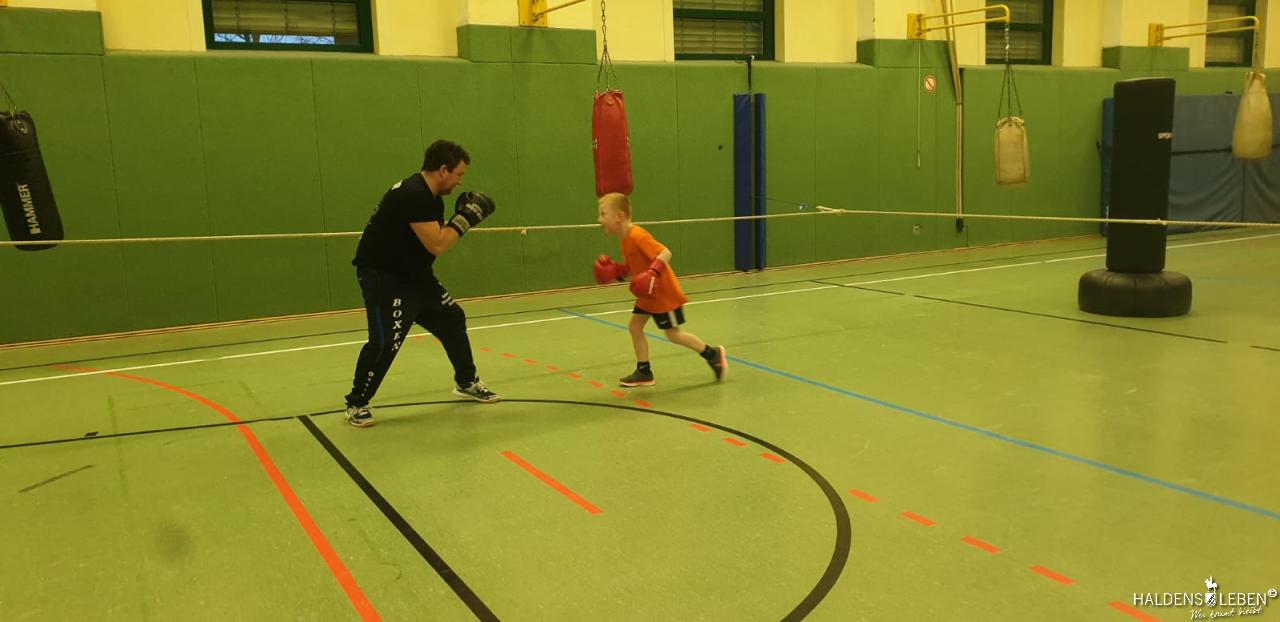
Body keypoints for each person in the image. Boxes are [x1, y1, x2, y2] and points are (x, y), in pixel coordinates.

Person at [343, 139, 500, 428]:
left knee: (452, 319)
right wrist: (465, 219)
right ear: (443, 170)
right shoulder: (413, 195)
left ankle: (466, 381)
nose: (459, 181)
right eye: (458, 174)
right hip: (385, 278)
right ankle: (357, 402)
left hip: (415, 276)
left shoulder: (431, 198)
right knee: (385, 342)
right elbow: (437, 244)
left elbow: (431, 240)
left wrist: (456, 221)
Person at [594, 192, 727, 387]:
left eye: (603, 214)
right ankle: (644, 371)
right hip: (647, 294)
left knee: (674, 335)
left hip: (663, 294)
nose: (600, 219)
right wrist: (615, 271)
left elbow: (665, 253)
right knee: (635, 327)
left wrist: (653, 274)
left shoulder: (637, 235)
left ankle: (712, 354)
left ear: (619, 216)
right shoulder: (625, 239)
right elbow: (632, 268)